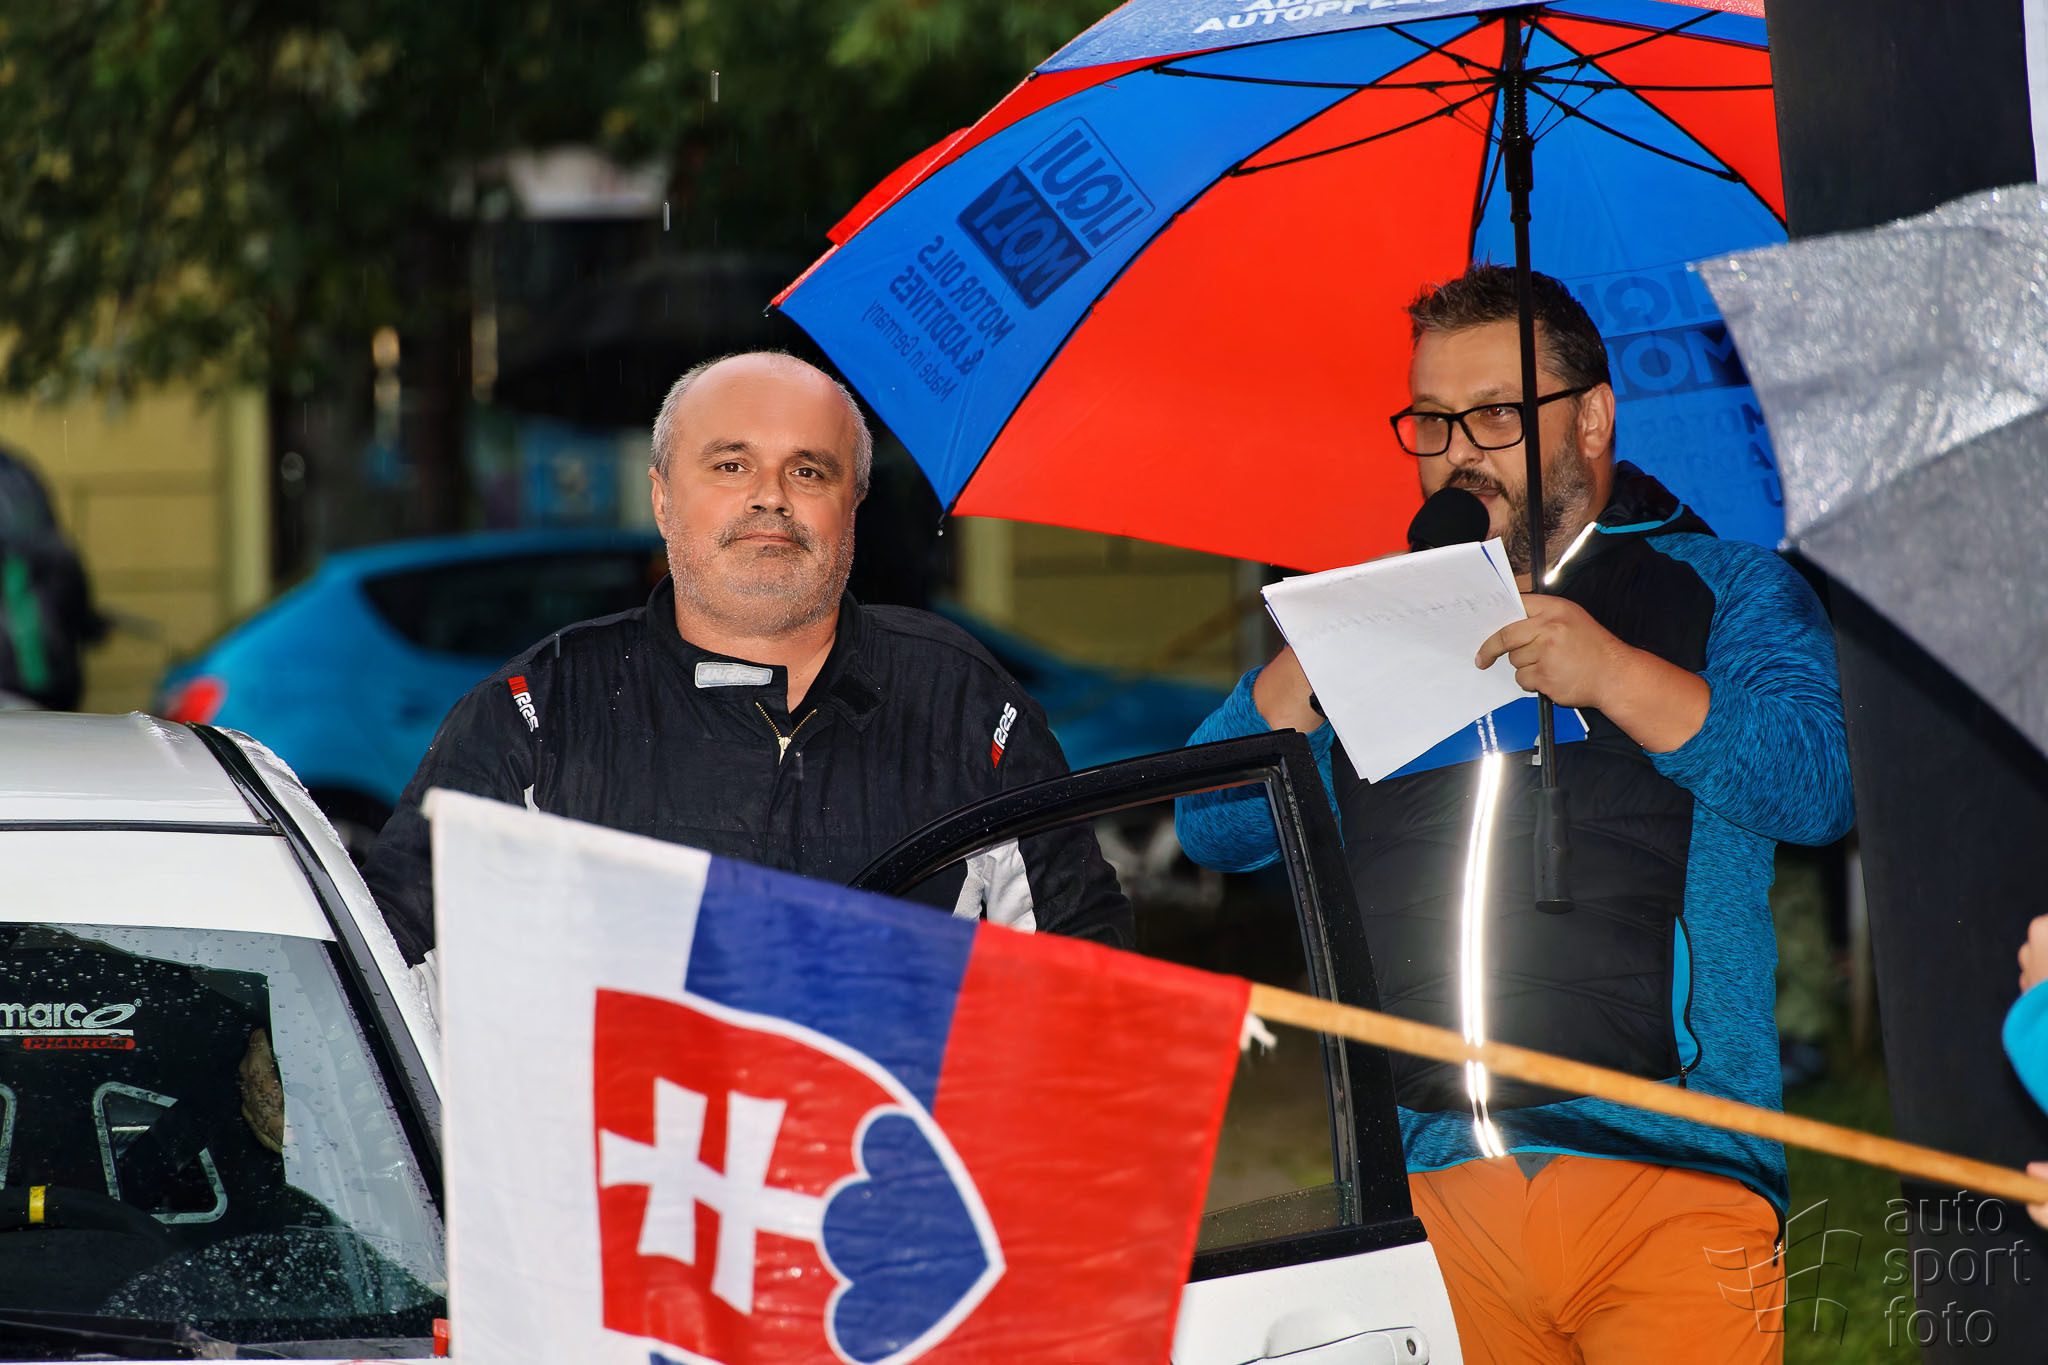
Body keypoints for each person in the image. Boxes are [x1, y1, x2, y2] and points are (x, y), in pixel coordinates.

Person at [1176, 266, 1853, 1364]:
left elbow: (1821, 785)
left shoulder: (1723, 588)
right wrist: (1309, 669)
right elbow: (1211, 826)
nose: (1458, 452)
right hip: (1432, 1189)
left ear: (1591, 419)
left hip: (1675, 1171)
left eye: (1495, 413)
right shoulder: (1372, 618)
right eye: (1432, 421)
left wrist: (1617, 676)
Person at [365, 351, 1129, 963]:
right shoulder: (538, 716)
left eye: (808, 470)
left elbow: (1086, 993)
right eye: (731, 465)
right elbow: (389, 988)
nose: (772, 497)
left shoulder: (962, 706)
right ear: (662, 498)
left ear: (852, 508)